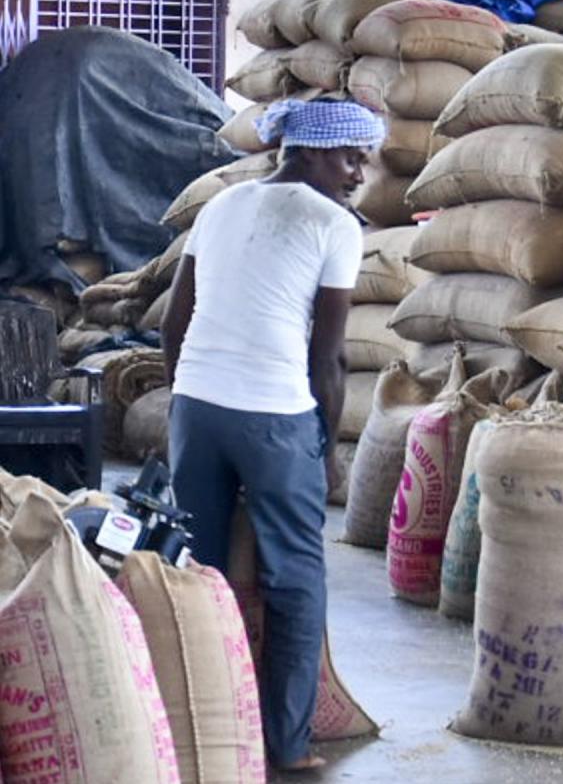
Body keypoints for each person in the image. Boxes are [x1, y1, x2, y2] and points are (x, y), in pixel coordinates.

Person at [161, 97, 382, 772]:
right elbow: (330, 356)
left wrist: (185, 399)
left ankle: (206, 727)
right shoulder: (332, 224)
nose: (358, 172)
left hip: (196, 408)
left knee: (201, 573)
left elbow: (174, 321)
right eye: (350, 157)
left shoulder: (222, 206)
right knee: (296, 578)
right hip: (275, 415)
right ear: (310, 151)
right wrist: (325, 447)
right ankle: (285, 745)